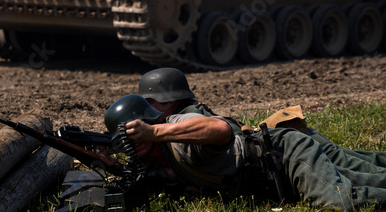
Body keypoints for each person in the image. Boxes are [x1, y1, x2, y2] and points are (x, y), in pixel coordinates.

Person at [105, 94, 386, 211]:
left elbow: (220, 130)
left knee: (342, 201)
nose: (134, 141)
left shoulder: (175, 129)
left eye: (136, 131)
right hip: (273, 178)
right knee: (362, 178)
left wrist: (154, 133)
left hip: (285, 156)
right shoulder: (149, 161)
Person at [137, 68, 386, 174]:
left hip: (286, 143)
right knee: (357, 160)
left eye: (152, 101)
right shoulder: (190, 110)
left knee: (356, 167)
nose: (148, 109)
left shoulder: (183, 120)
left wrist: (155, 132)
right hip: (285, 137)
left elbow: (218, 131)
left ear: (168, 101)